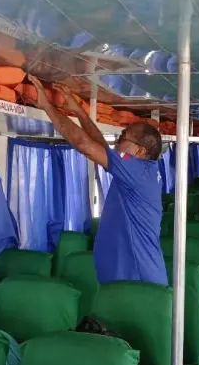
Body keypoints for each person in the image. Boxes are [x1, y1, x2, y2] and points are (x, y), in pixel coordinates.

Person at [28, 76, 167, 286]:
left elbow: (84, 145)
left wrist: (47, 106)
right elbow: (101, 146)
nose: (118, 141)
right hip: (127, 275)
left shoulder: (137, 170)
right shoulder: (140, 169)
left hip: (137, 279)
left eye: (123, 137)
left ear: (140, 151)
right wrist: (78, 111)